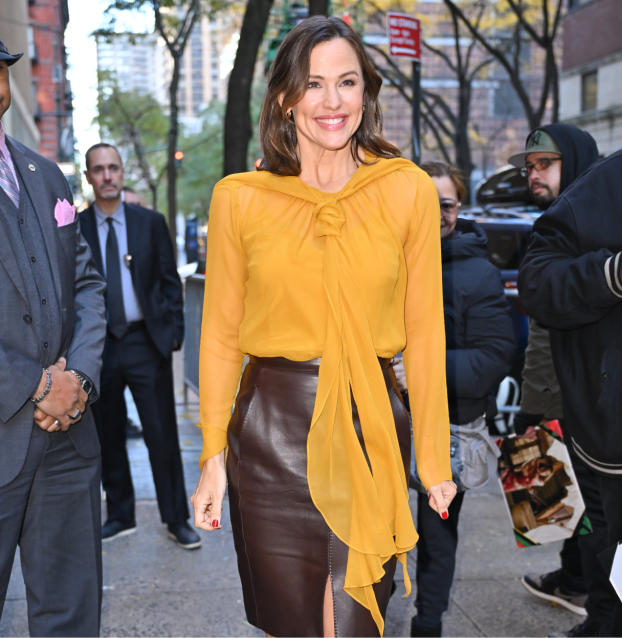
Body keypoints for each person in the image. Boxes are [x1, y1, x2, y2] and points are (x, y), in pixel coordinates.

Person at [191, 16, 456, 637]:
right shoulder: (240, 198)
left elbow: (425, 331)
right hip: (270, 434)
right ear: (285, 96)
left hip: (370, 428)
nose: (332, 102)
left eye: (348, 82)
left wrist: (434, 459)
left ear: (367, 92)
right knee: (293, 627)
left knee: (354, 624)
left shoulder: (406, 190)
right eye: (313, 84)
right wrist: (211, 456)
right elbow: (222, 335)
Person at [0, 40, 106, 635]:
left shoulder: (45, 175)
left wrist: (79, 382)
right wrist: (37, 386)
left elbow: (89, 284)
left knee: (70, 616)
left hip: (68, 441)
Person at [519, 139, 622, 637]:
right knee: (566, 517)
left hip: (582, 407)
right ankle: (577, 588)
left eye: (545, 163)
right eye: (530, 166)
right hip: (580, 412)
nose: (534, 175)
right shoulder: (597, 197)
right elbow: (540, 296)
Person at [409, 161, 515, 637]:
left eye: (445, 203)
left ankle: (427, 623)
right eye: (423, 202)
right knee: (381, 536)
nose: (434, 213)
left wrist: (416, 369)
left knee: (438, 537)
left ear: (459, 206)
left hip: (451, 430)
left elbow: (493, 357)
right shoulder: (388, 260)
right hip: (387, 424)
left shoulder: (479, 274)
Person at [80, 143, 201, 550]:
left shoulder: (149, 222)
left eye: (113, 167)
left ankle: (177, 519)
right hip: (99, 347)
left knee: (162, 433)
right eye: (99, 169)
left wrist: (173, 335)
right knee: (107, 432)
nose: (107, 175)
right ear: (88, 177)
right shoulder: (74, 229)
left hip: (145, 343)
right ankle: (120, 514)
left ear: (123, 172)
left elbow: (170, 282)